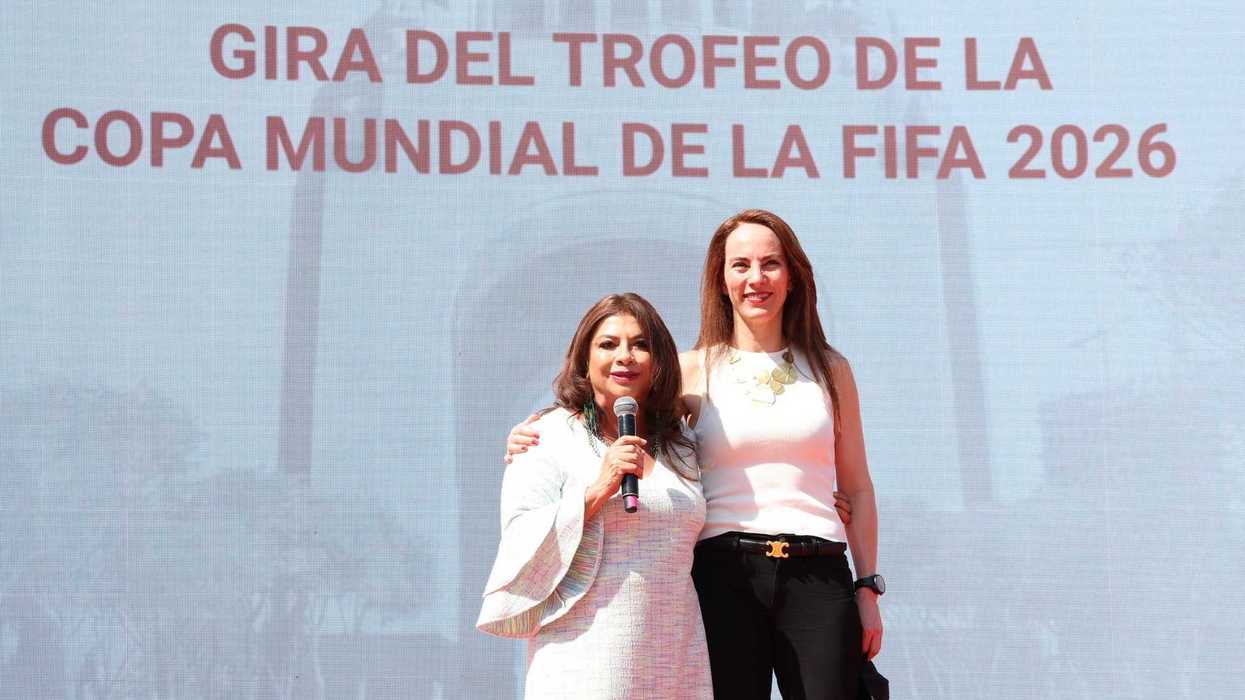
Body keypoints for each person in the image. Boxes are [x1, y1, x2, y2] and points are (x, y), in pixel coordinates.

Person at [507, 210, 883, 699]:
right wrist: (535, 426)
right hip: (724, 575)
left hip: (818, 570)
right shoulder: (690, 369)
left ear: (792, 276)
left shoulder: (832, 369)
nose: (756, 278)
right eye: (740, 265)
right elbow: (608, 400)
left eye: (770, 264)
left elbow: (857, 485)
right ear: (721, 280)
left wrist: (867, 586)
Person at [477, 293, 712, 700]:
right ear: (584, 359)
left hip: (675, 655)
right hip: (584, 657)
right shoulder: (545, 436)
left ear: (658, 363)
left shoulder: (681, 443)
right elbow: (519, 538)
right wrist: (598, 490)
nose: (625, 356)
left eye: (640, 345)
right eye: (608, 344)